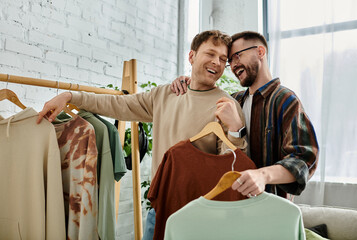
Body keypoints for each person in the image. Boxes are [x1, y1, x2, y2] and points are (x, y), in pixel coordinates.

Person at [37, 30, 247, 240]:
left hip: (198, 214)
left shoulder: (226, 105)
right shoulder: (166, 94)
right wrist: (70, 96)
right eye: (210, 54)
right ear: (192, 56)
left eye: (222, 59)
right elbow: (117, 104)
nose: (217, 63)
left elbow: (232, 164)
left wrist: (236, 130)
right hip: (157, 209)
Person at [171, 31, 319, 199]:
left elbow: (304, 158)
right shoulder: (233, 100)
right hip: (231, 205)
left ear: (260, 52)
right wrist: (187, 82)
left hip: (269, 208)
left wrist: (263, 175)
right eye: (230, 60)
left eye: (238, 56)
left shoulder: (285, 100)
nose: (233, 65)